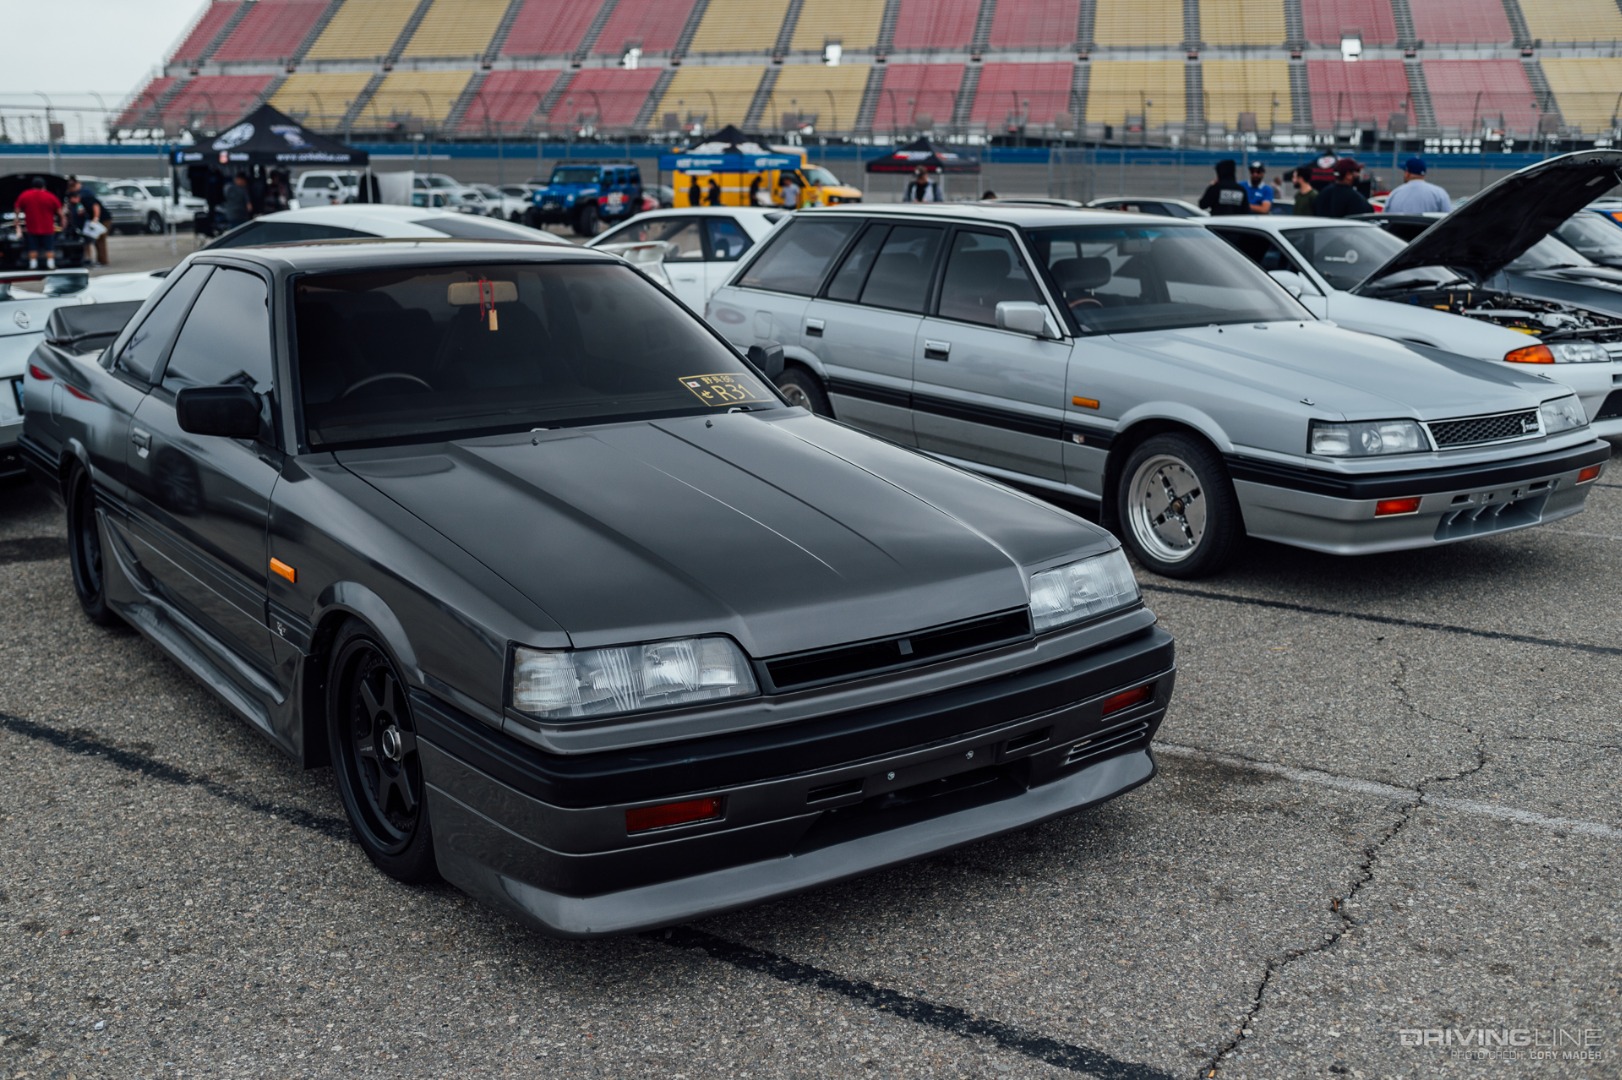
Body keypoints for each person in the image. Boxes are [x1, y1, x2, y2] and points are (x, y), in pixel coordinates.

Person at [12, 176, 63, 270]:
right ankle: (50, 264)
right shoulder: (50, 196)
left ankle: (33, 265)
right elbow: (60, 212)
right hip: (48, 227)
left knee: (32, 247)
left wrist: (17, 220)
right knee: (49, 247)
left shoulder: (25, 195)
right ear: (44, 186)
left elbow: (17, 208)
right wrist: (63, 223)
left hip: (32, 227)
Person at [1383, 156, 1452, 214]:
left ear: (1407, 173)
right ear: (1424, 174)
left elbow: (1385, 218)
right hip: (1430, 226)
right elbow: (1448, 218)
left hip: (1398, 226)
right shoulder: (1439, 193)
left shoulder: (1395, 193)